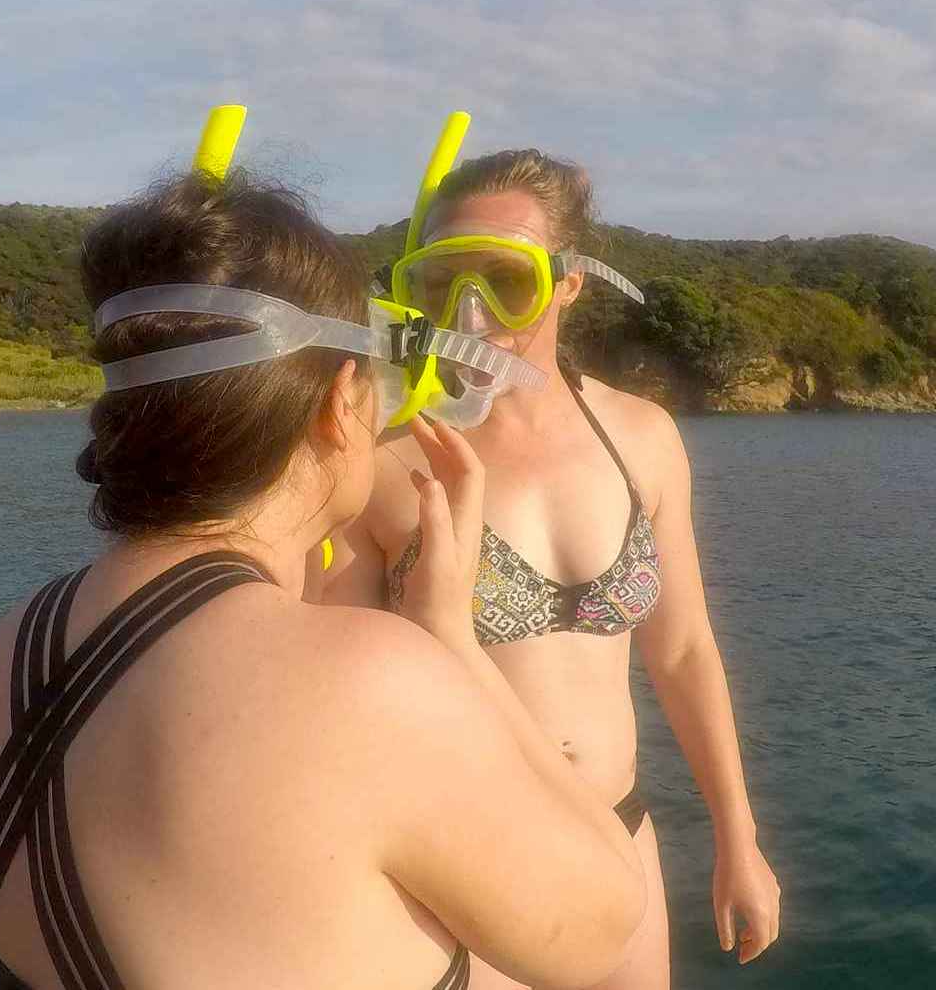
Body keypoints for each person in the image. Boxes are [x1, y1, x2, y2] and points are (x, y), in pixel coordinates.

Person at [0, 170, 645, 990]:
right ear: (338, 403)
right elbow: (604, 926)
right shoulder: (367, 677)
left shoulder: (15, 648)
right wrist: (452, 640)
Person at [325, 146, 782, 988]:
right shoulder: (382, 462)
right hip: (461, 857)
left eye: (505, 278)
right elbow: (330, 693)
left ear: (568, 281)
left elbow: (681, 651)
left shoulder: (640, 436)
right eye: (441, 282)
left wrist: (736, 836)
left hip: (617, 835)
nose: (469, 313)